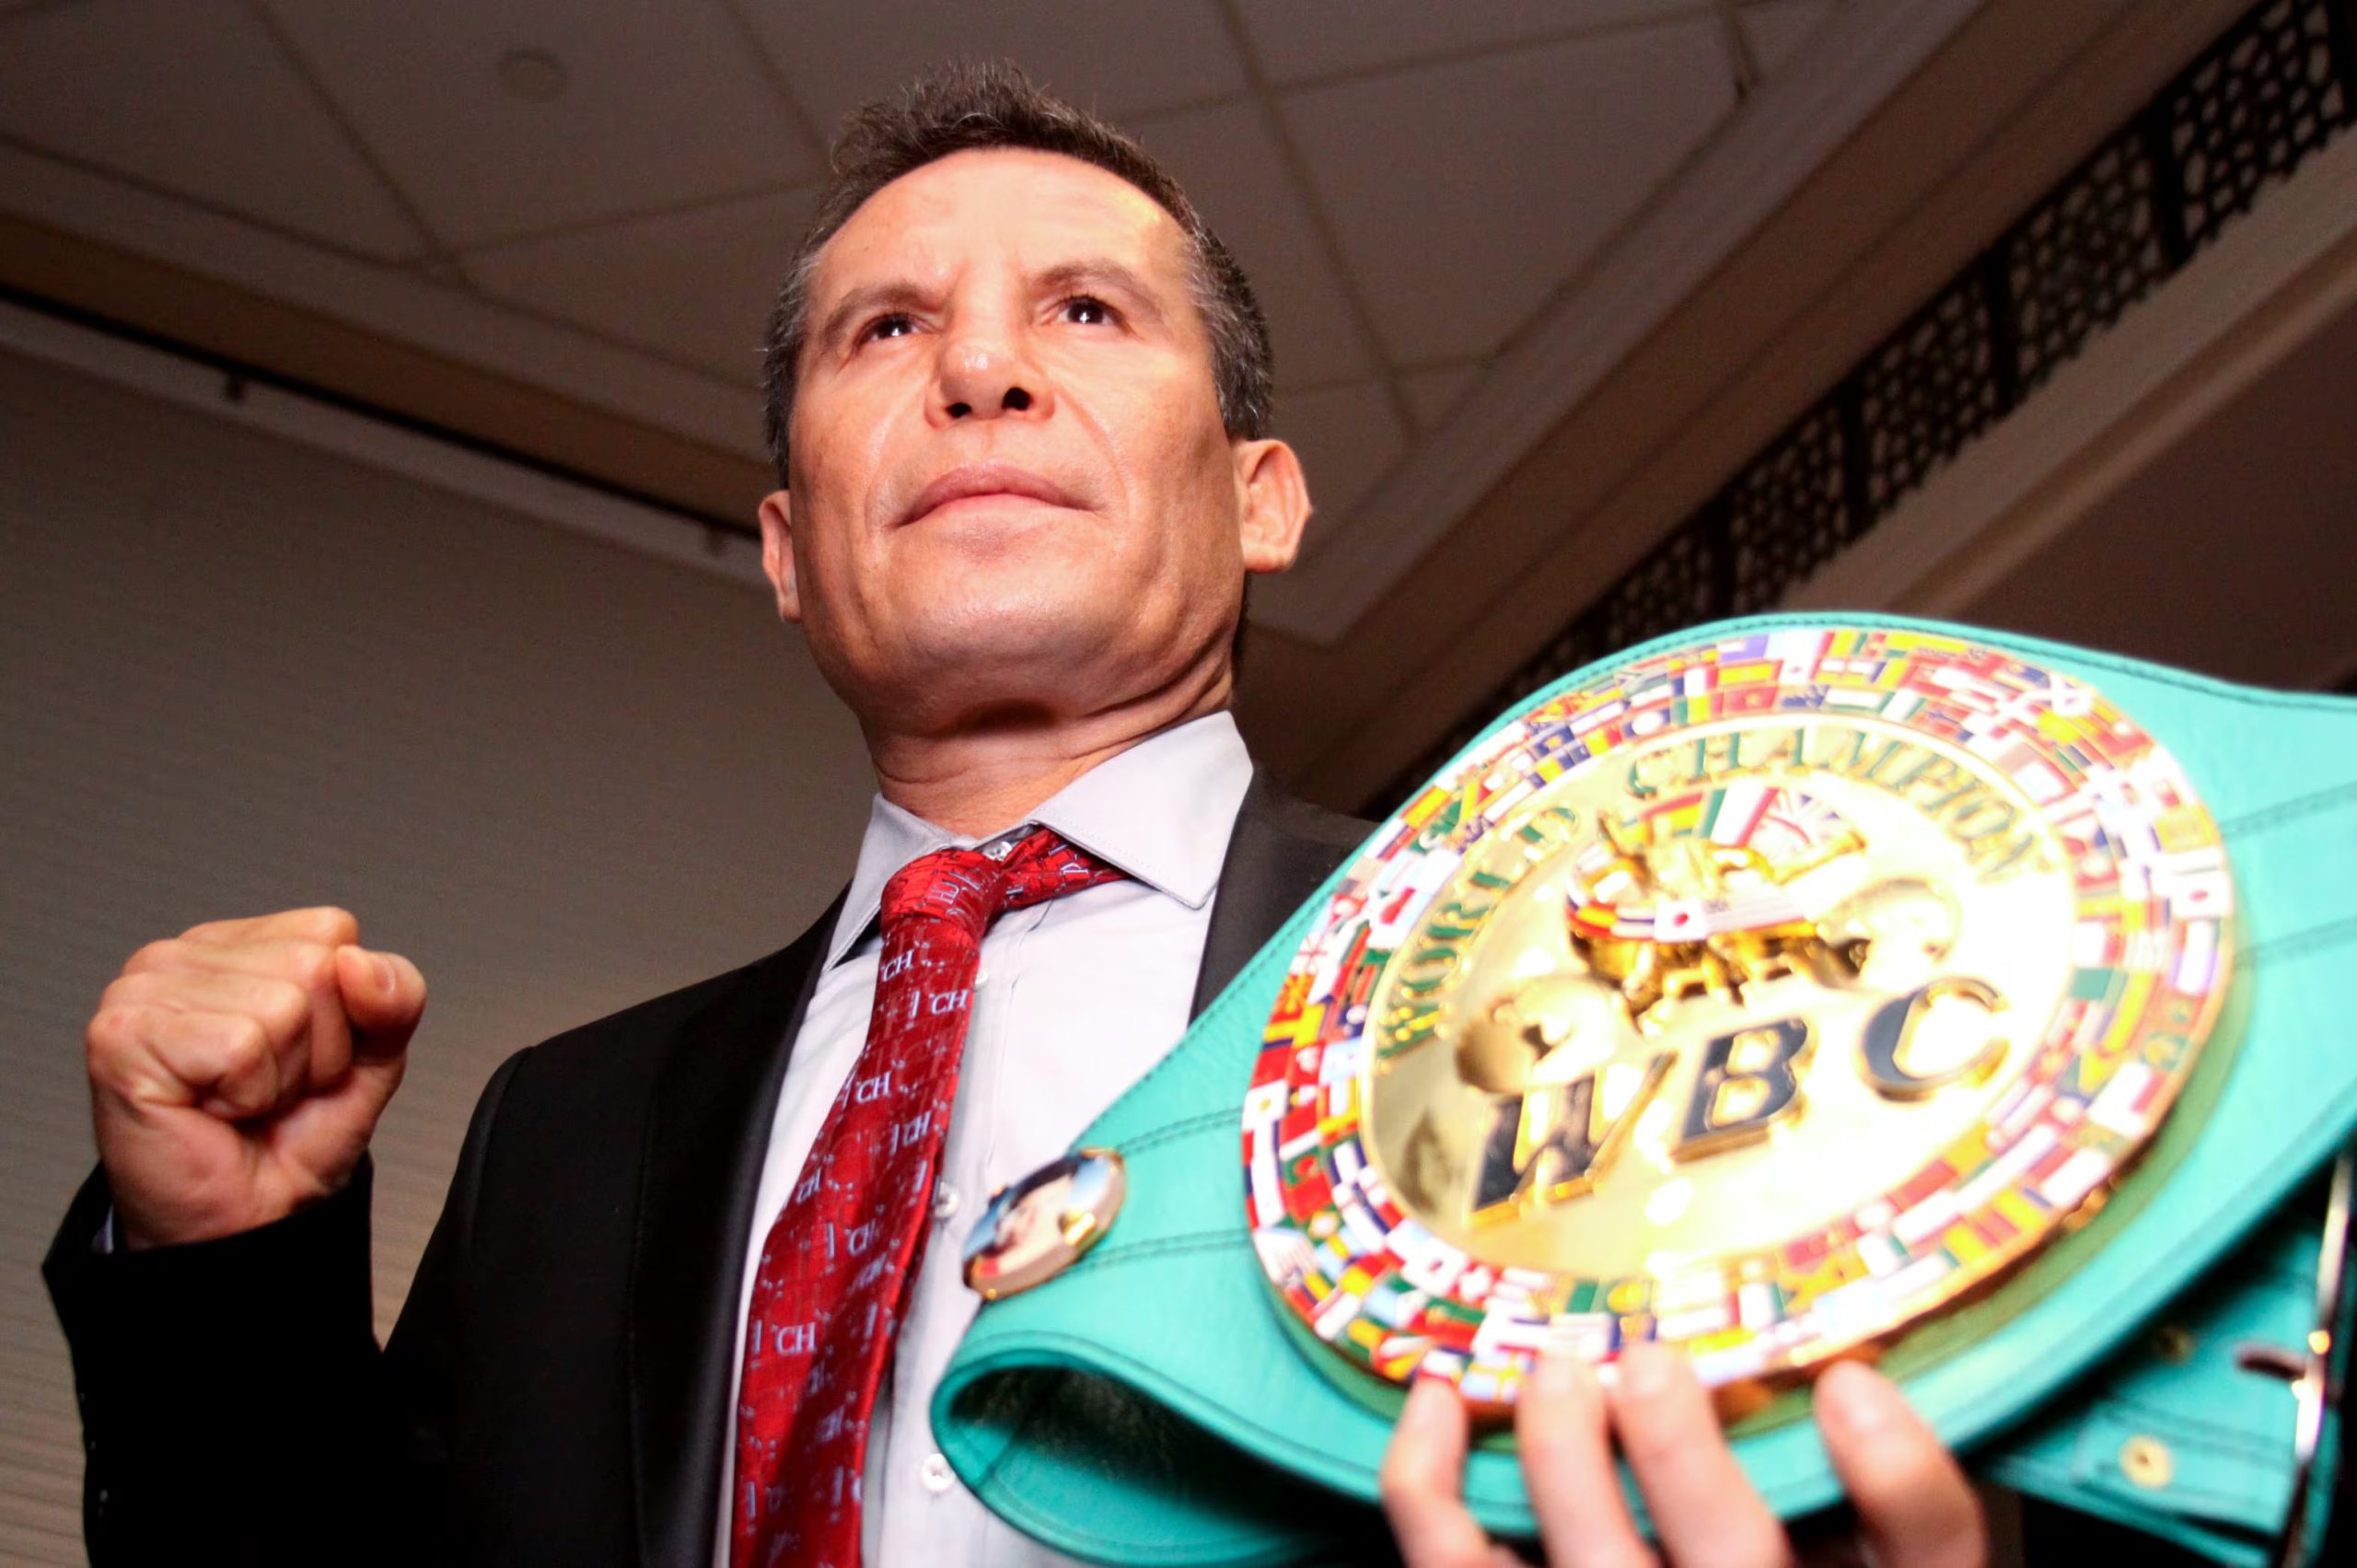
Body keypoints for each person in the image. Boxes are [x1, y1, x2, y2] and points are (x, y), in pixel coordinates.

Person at [45, 63, 1985, 1568]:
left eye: (1081, 313)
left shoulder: (1583, 940)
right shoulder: (564, 1128)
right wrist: (216, 1265)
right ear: (791, 553)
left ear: (1260, 498)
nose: (977, 369)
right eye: (883, 333)